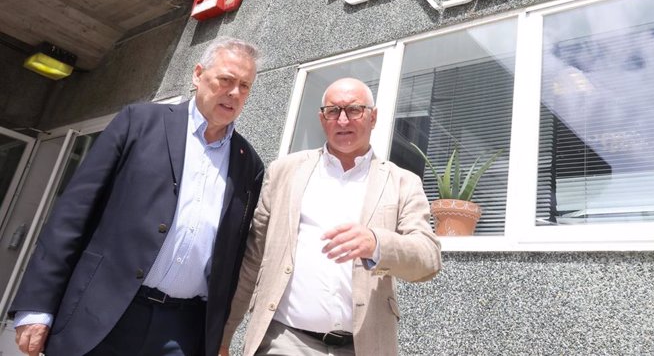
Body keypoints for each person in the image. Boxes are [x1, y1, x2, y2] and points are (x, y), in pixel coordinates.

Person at [8, 37, 265, 356]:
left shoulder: (248, 162)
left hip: (183, 332)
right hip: (102, 314)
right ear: (198, 75)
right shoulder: (139, 123)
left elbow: (233, 254)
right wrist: (37, 305)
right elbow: (73, 215)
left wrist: (219, 337)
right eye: (226, 79)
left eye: (245, 86)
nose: (235, 93)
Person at [222, 77, 442, 356]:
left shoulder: (402, 182)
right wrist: (225, 333)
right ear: (321, 118)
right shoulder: (285, 172)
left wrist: (377, 243)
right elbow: (253, 258)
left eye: (354, 110)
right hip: (286, 340)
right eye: (333, 111)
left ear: (373, 117)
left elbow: (428, 259)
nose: (342, 120)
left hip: (363, 345)